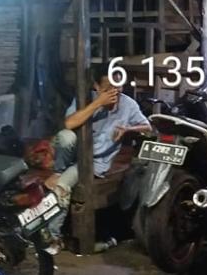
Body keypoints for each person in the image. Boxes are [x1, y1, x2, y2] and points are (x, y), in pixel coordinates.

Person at [44, 65, 149, 241]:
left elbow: (147, 127)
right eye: (108, 88)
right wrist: (98, 103)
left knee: (62, 185)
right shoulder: (87, 99)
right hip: (75, 152)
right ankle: (58, 171)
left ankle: (52, 236)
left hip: (94, 163)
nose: (114, 92)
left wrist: (128, 129)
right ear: (97, 87)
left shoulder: (128, 104)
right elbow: (69, 124)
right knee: (65, 136)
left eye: (118, 86)